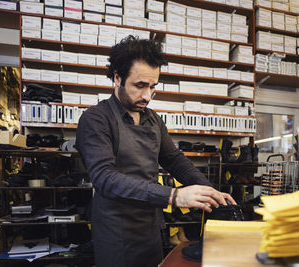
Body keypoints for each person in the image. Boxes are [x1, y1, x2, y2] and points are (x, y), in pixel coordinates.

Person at [76, 35, 236, 267]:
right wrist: (174, 196)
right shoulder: (96, 119)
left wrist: (210, 191)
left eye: (152, 87)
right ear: (118, 78)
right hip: (116, 232)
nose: (147, 96)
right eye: (140, 86)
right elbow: (105, 178)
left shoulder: (153, 119)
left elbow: (174, 160)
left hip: (150, 228)